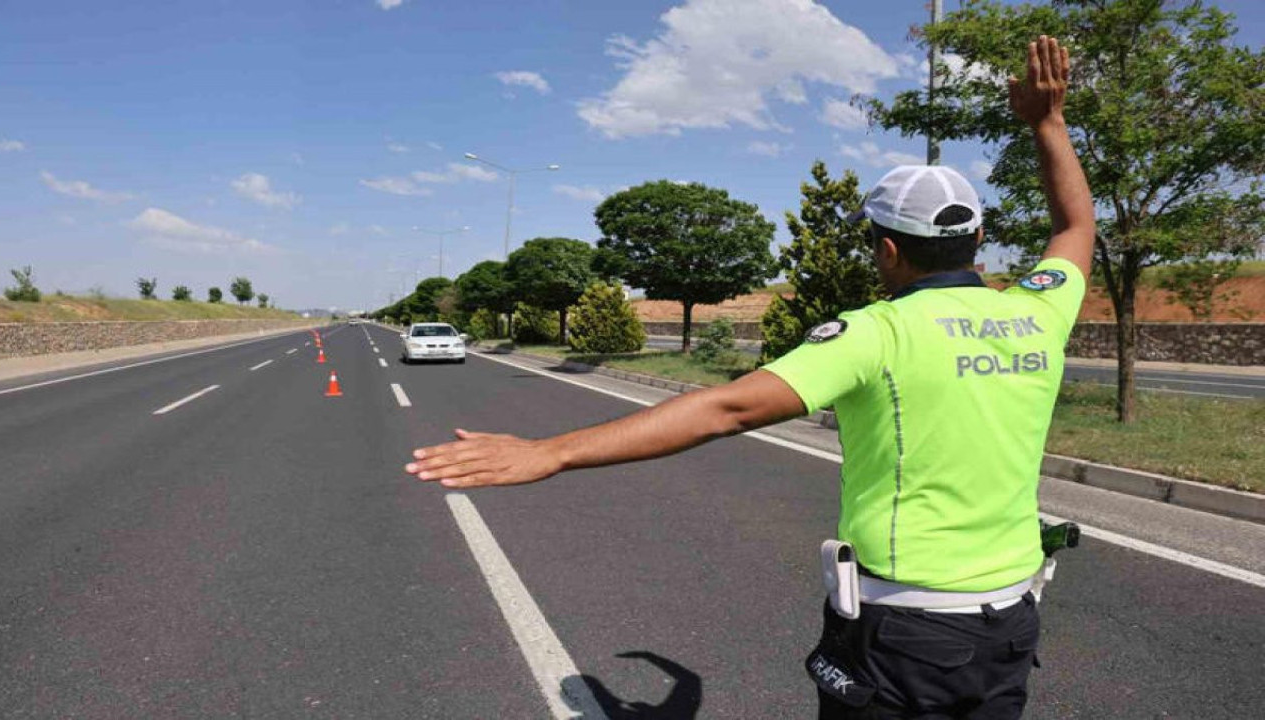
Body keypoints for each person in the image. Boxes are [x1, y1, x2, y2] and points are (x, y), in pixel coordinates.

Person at [407, 35, 1093, 720]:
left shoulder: (875, 334)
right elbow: (1075, 224)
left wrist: (548, 452)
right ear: (977, 240)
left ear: (886, 250)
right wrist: (1047, 123)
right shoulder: (1036, 311)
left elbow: (724, 409)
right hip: (1009, 625)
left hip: (904, 639)